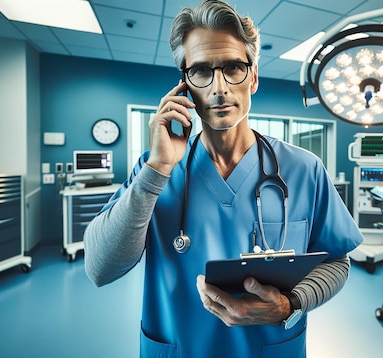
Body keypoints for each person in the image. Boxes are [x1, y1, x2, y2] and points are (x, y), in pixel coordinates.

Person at [83, 0, 363, 357]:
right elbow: (99, 268)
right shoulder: (154, 172)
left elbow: (337, 261)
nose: (219, 88)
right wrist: (156, 171)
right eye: (201, 71)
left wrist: (292, 303)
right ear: (185, 86)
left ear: (254, 77)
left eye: (233, 67)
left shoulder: (304, 169)